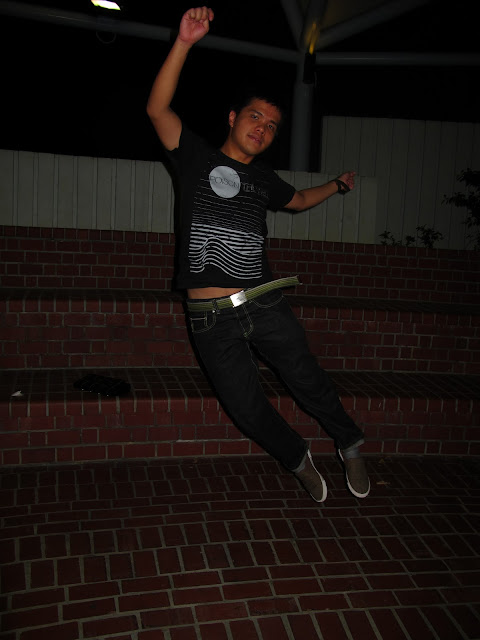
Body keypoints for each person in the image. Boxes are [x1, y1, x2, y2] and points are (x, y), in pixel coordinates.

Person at [147, 6, 370, 502]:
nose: (262, 128)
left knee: (307, 379)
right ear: (233, 118)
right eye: (255, 116)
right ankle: (297, 458)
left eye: (271, 125)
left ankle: (350, 442)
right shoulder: (195, 157)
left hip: (263, 302)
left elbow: (301, 200)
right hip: (209, 318)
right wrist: (183, 42)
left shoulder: (265, 179)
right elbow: (158, 110)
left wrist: (336, 185)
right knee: (245, 407)